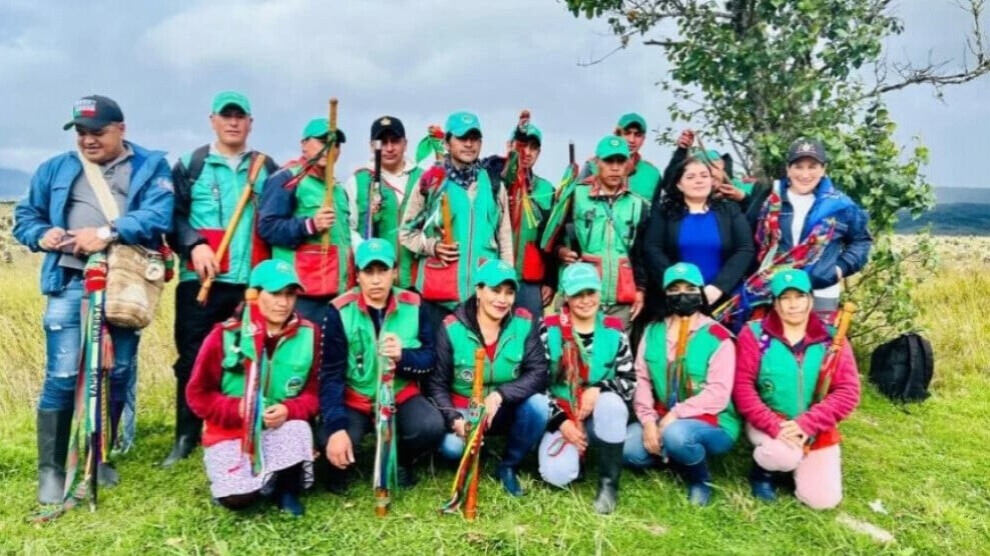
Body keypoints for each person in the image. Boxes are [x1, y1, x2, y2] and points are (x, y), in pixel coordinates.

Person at [13, 95, 173, 503]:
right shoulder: (55, 168)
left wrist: (105, 234)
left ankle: (97, 458)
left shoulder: (151, 166)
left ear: (121, 129)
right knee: (63, 374)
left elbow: (158, 215)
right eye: (82, 133)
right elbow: (26, 217)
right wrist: (42, 235)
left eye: (97, 132)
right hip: (69, 280)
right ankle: (51, 471)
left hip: (125, 283)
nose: (88, 140)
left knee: (117, 370)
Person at [164, 90, 279, 467]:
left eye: (239, 116)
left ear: (250, 123)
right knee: (194, 356)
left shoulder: (266, 168)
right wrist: (193, 244)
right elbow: (172, 216)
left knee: (250, 353)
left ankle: (240, 425)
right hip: (202, 280)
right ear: (212, 120)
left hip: (251, 282)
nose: (233, 122)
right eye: (226, 115)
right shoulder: (191, 165)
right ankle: (185, 434)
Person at [186, 259, 319, 516]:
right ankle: (254, 480)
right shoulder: (223, 335)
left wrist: (289, 410)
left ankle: (285, 490)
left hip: (278, 426)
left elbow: (313, 393)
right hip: (230, 431)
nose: (284, 303)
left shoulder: (309, 334)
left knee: (298, 428)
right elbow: (197, 395)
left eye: (290, 294)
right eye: (275, 293)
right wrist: (238, 409)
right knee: (237, 498)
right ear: (254, 295)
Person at [319, 238, 446, 493]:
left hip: (399, 395)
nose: (376, 280)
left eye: (383, 270)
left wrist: (403, 357)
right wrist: (336, 428)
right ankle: (340, 466)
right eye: (368, 271)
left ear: (394, 272)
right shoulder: (339, 310)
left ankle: (402, 459)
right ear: (357, 275)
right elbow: (330, 375)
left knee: (430, 426)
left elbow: (430, 359)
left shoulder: (414, 304)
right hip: (357, 398)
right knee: (328, 437)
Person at [733, 269, 860, 510]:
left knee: (822, 501)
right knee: (782, 454)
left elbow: (848, 392)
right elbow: (743, 388)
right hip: (771, 422)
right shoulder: (754, 334)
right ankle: (764, 473)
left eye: (800, 296)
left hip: (815, 426)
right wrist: (774, 425)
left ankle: (794, 466)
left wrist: (807, 424)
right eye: (785, 298)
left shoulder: (832, 339)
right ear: (775, 303)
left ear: (811, 299)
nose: (793, 305)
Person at [426, 260, 549, 496]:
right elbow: (436, 384)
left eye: (509, 292)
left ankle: (508, 465)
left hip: (504, 408)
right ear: (479, 290)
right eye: (495, 290)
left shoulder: (524, 322)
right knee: (452, 448)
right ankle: (474, 452)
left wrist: (501, 395)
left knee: (539, 406)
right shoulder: (451, 327)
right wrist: (454, 419)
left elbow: (538, 373)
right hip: (465, 410)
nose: (502, 299)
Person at [624, 263, 741, 506]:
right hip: (662, 413)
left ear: (700, 292)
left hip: (712, 420)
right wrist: (648, 422)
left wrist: (675, 415)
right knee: (628, 448)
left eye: (689, 289)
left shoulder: (718, 337)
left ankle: (699, 479)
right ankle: (675, 457)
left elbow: (718, 394)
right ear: (665, 294)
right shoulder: (652, 330)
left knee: (676, 434)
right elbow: (641, 378)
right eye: (674, 289)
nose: (682, 295)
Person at [733, 138, 872, 323]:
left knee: (819, 340)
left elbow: (861, 240)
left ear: (823, 169)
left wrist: (840, 268)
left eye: (812, 167)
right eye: (798, 167)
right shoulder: (769, 201)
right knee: (770, 339)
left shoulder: (840, 205)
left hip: (821, 291)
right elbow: (749, 242)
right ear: (788, 169)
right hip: (775, 291)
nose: (805, 174)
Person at [398, 111, 514, 330]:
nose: (469, 144)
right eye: (462, 138)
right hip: (437, 300)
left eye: (474, 138)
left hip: (482, 301)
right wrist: (432, 246)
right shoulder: (430, 182)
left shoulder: (493, 183)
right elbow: (406, 232)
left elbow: (504, 238)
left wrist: (507, 284)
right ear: (447, 142)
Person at [537, 263, 635, 514]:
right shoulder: (548, 328)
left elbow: (629, 381)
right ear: (566, 296)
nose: (585, 300)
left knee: (612, 403)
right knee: (556, 475)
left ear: (599, 292)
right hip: (563, 412)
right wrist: (561, 421)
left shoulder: (614, 330)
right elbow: (535, 383)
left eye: (590, 292)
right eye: (577, 294)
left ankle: (608, 485)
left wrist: (600, 387)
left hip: (598, 416)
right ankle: (573, 456)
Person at [541, 135, 649, 330]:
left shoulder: (638, 204)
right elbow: (550, 236)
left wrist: (640, 289)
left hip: (620, 300)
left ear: (628, 164)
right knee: (572, 347)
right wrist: (560, 251)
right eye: (608, 161)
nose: (615, 168)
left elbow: (641, 253)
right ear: (597, 162)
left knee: (616, 348)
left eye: (620, 161)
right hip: (580, 295)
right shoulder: (576, 195)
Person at [258, 117, 351, 325]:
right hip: (303, 292)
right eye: (323, 141)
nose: (329, 149)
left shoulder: (338, 188)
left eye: (335, 144)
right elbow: (267, 227)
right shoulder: (287, 178)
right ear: (304, 145)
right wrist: (310, 225)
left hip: (337, 291)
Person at [639, 153, 754, 315]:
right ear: (679, 184)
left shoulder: (729, 210)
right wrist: (678, 286)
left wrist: (718, 287)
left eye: (704, 176)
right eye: (691, 177)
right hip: (675, 299)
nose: (699, 181)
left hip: (721, 300)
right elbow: (652, 249)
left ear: (711, 181)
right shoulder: (664, 212)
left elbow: (745, 248)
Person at [343, 116, 423, 288]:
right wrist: (367, 253)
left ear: (405, 144)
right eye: (383, 142)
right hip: (375, 283)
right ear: (372, 146)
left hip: (417, 283)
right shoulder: (358, 181)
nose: (389, 148)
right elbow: (348, 228)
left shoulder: (423, 179)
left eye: (395, 141)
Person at [492, 122, 556, 318]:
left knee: (530, 331)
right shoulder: (494, 181)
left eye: (533, 147)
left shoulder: (546, 189)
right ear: (509, 146)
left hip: (529, 279)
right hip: (495, 273)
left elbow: (553, 237)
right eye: (521, 145)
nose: (527, 152)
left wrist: (550, 281)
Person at [579, 113, 662, 203]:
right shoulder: (592, 165)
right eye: (627, 133)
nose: (632, 140)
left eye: (638, 135)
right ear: (617, 135)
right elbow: (576, 201)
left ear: (643, 139)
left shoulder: (653, 173)